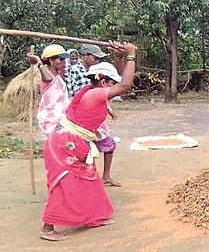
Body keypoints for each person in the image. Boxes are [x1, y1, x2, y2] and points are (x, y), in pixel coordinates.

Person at [39, 41, 137, 241]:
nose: (114, 88)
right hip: (63, 144)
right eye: (111, 84)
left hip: (74, 143)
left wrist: (119, 56)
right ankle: (47, 229)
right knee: (64, 183)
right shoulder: (94, 94)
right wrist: (131, 55)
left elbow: (118, 80)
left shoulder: (92, 90)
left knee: (89, 178)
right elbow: (125, 85)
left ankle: (94, 216)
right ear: (103, 83)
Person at [66, 44, 123, 186]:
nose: (96, 60)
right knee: (82, 152)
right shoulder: (75, 71)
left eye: (98, 58)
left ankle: (105, 176)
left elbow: (103, 92)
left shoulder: (96, 73)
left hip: (93, 114)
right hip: (80, 119)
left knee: (108, 144)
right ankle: (81, 182)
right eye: (94, 57)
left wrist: (107, 108)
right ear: (85, 55)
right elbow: (72, 93)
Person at [27, 44, 70, 135]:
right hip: (51, 118)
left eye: (64, 59)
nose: (64, 62)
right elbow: (47, 78)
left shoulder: (58, 76)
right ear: (51, 60)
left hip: (61, 117)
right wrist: (38, 61)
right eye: (60, 59)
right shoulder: (47, 77)